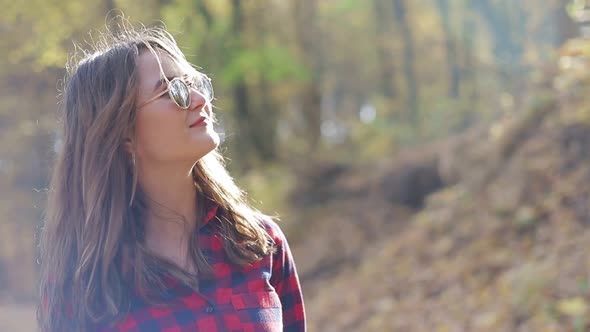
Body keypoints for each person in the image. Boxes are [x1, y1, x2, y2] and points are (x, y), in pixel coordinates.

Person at [37, 24, 306, 332]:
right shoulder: (83, 285)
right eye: (172, 91)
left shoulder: (260, 243)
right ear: (121, 132)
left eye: (195, 85)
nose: (198, 100)